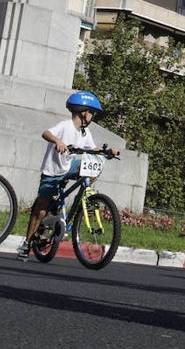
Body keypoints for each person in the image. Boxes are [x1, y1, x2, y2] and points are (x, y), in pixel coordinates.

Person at [16, 90, 119, 261]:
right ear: (84, 112)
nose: (92, 116)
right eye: (92, 113)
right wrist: (57, 141)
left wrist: (107, 151)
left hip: (69, 166)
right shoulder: (65, 126)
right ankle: (27, 242)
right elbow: (46, 133)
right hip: (53, 170)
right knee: (41, 209)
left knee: (93, 167)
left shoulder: (85, 132)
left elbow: (92, 149)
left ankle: (85, 197)